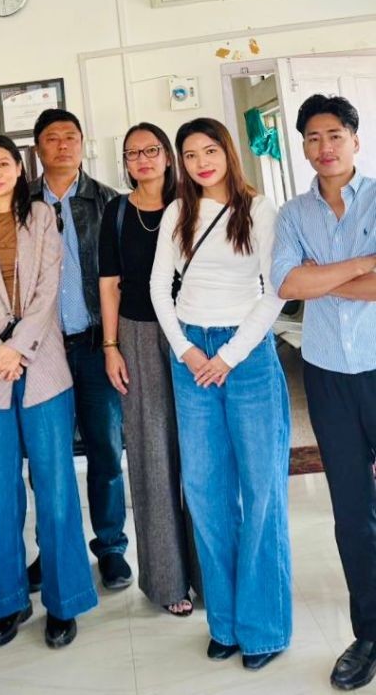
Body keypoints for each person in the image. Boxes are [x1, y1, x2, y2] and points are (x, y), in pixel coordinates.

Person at [150, 118, 291, 671]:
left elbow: (276, 289)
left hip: (247, 355)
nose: (201, 162)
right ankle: (226, 622)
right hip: (191, 355)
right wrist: (186, 349)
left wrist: (228, 355)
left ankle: (264, 627)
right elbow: (159, 287)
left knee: (261, 490)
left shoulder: (259, 210)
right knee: (206, 491)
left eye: (210, 150)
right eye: (190, 155)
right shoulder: (176, 213)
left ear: (228, 152)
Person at [0, 135, 98, 650]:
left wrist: (18, 349)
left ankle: (63, 601)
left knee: (55, 487)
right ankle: (6, 603)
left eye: (3, 164)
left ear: (19, 168)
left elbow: (49, 290)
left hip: (42, 365)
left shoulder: (41, 216)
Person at [272, 94, 376, 691]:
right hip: (328, 373)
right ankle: (370, 632)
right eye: (313, 137)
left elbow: (314, 282)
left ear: (355, 140)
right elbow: (288, 283)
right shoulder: (293, 214)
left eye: (335, 134)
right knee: (353, 512)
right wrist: (362, 264)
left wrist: (322, 276)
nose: (324, 147)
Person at [27, 108, 131, 591]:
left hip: (94, 345)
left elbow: (121, 280)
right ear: (38, 148)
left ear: (82, 143)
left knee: (105, 449)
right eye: (52, 138)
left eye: (71, 136)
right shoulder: (21, 202)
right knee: (47, 459)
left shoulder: (109, 201)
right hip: (42, 351)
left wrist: (115, 344)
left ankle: (110, 547)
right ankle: (53, 549)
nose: (63, 145)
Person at [97, 122, 196, 616]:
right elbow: (109, 284)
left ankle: (209, 574)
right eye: (132, 153)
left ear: (167, 156)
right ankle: (167, 580)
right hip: (137, 335)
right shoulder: (116, 213)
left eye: (151, 150)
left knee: (200, 455)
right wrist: (111, 346)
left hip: (196, 335)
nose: (143, 159)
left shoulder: (194, 202)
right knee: (151, 456)